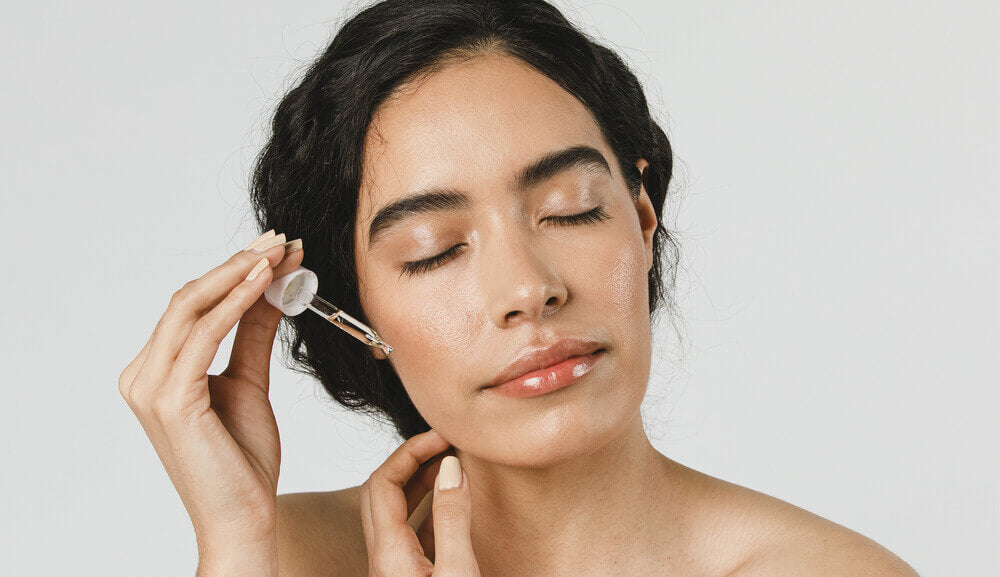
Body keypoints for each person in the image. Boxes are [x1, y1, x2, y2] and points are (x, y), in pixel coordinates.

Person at [118, 0, 921, 575]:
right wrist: (231, 546)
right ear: (353, 310)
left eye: (569, 211)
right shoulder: (284, 558)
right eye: (434, 251)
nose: (527, 290)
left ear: (642, 219)